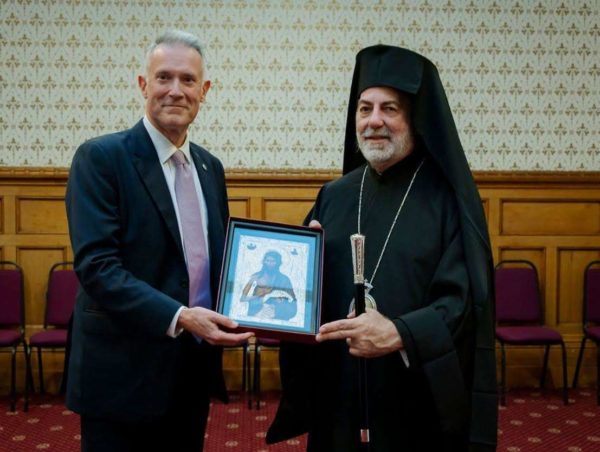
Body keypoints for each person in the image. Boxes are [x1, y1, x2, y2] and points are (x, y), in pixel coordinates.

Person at [267, 45, 497, 451]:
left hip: (413, 401)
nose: (374, 120)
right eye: (364, 108)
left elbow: (462, 301)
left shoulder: (448, 201)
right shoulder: (334, 195)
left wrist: (398, 333)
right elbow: (301, 297)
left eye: (389, 108)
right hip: (338, 395)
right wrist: (301, 267)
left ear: (414, 119)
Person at [65, 30, 252, 452]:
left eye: (188, 80)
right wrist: (181, 316)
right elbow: (98, 268)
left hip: (191, 369)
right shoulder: (101, 158)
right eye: (164, 77)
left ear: (204, 91)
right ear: (143, 84)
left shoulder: (210, 167)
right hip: (122, 374)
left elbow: (220, 259)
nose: (175, 90)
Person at [240, 250, 297, 320]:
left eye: (273, 261)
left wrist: (280, 302)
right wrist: (261, 297)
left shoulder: (284, 280)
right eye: (268, 260)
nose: (270, 263)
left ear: (278, 263)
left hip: (276, 314)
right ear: (264, 262)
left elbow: (292, 302)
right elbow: (243, 298)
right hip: (256, 312)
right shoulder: (255, 277)